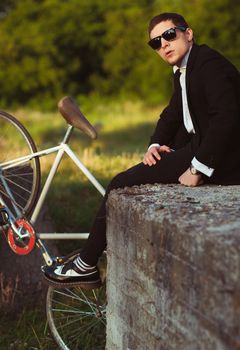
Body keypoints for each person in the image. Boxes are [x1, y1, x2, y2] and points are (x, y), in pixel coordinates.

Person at [42, 12, 240, 288]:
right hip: (197, 147)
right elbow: (171, 114)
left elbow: (227, 117)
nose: (164, 45)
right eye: (156, 43)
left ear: (188, 33)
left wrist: (198, 167)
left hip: (223, 159)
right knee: (130, 178)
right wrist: (155, 145)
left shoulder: (208, 65)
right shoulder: (186, 68)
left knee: (119, 182)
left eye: (169, 35)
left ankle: (85, 264)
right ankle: (87, 261)